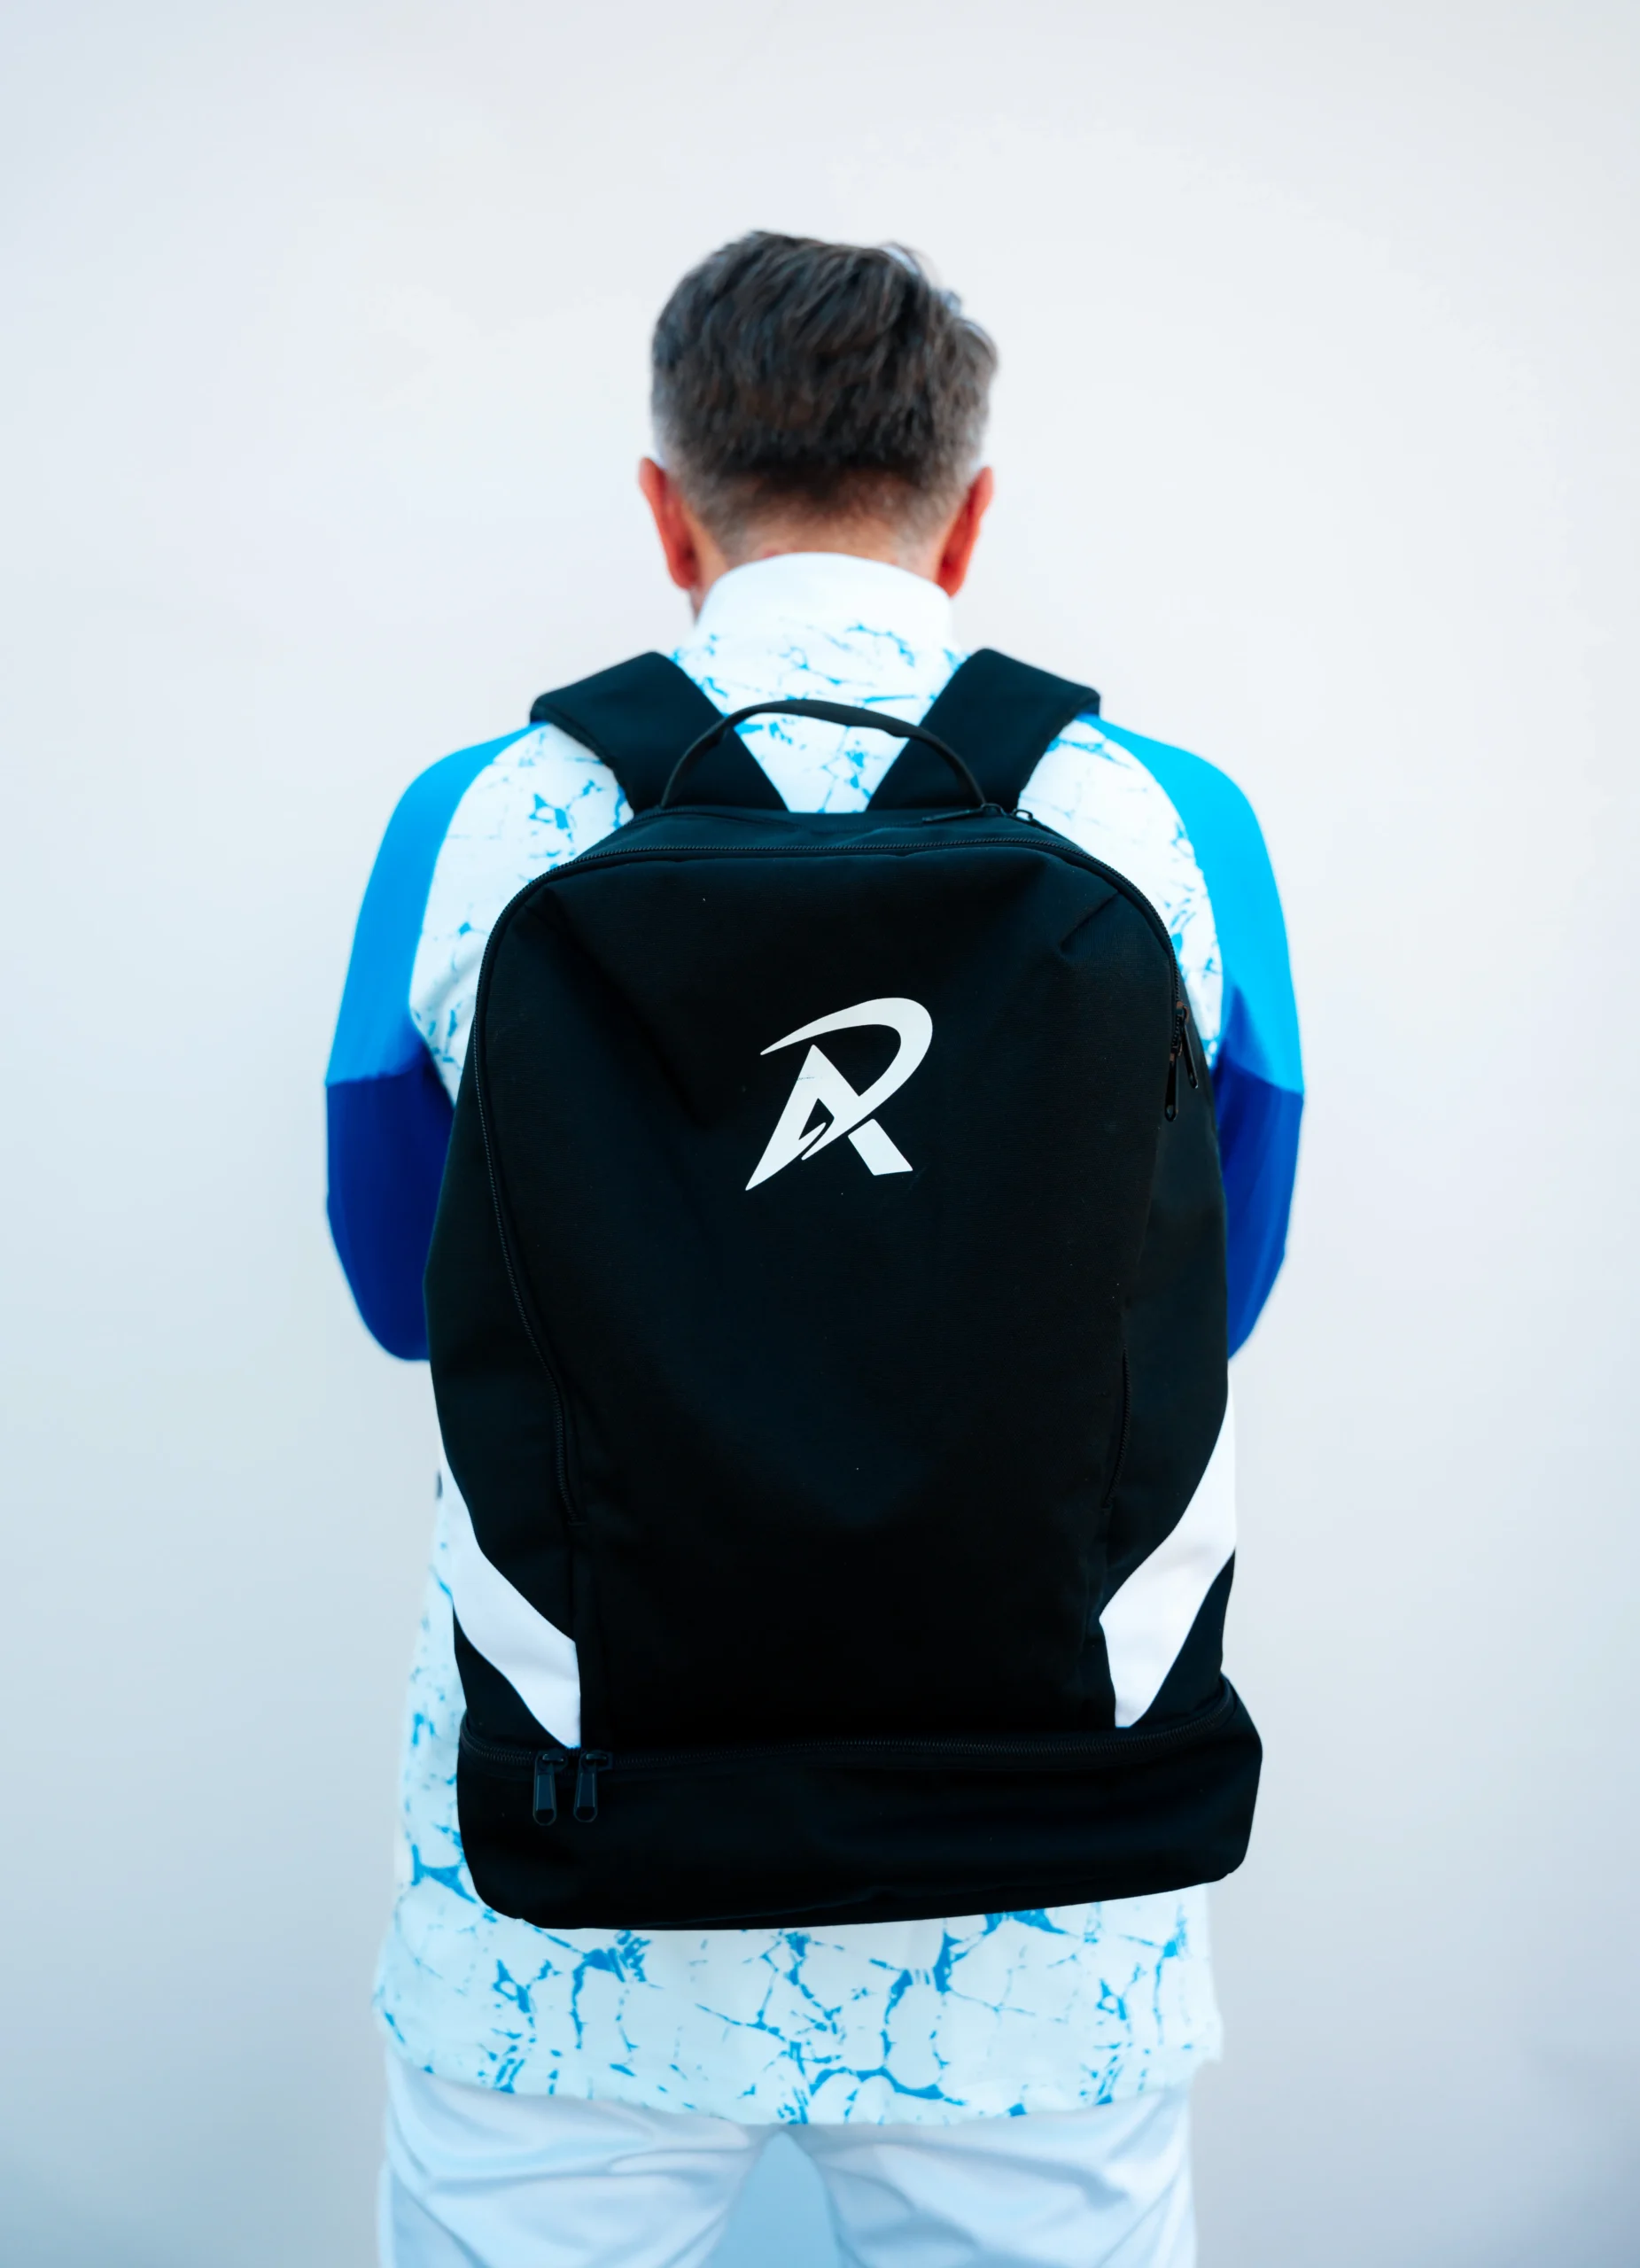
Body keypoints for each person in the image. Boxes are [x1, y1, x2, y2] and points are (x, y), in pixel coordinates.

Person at [327, 232, 1302, 2268]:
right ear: (969, 514)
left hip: (573, 1865)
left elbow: (400, 1278)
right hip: (1040, 1894)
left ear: (666, 509)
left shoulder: (481, 818)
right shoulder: (1165, 822)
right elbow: (1211, 1288)